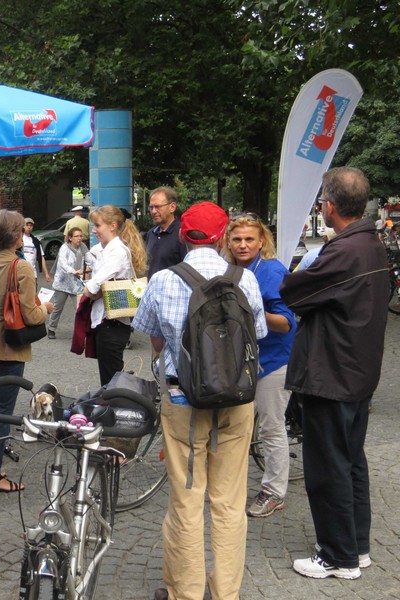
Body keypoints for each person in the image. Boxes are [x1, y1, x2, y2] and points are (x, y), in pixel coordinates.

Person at [133, 202, 267, 600]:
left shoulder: (163, 280)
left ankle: (184, 593)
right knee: (229, 501)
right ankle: (226, 593)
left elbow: (151, 335)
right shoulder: (244, 278)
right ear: (222, 235)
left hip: (184, 397)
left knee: (187, 499)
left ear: (184, 235)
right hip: (237, 401)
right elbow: (256, 334)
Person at [282, 167, 388, 580]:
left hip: (332, 374)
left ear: (328, 205)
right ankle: (355, 546)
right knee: (350, 462)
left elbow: (296, 292)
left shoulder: (345, 251)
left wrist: (288, 274)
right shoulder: (370, 243)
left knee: (328, 468)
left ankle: (337, 555)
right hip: (356, 372)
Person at [0, 209, 53, 494]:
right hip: (7, 346)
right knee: (1, 412)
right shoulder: (21, 267)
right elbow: (31, 315)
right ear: (16, 237)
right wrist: (46, 308)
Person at [224, 213, 296, 518]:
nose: (243, 245)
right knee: (234, 426)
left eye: (249, 239)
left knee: (270, 427)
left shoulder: (272, 271)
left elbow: (287, 323)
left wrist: (252, 312)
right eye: (237, 239)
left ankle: (274, 492)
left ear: (261, 241)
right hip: (240, 361)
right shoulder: (228, 270)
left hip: (273, 360)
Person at [81, 205, 148, 386]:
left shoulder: (117, 251)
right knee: (109, 376)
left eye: (97, 225)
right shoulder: (109, 249)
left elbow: (92, 287)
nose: (94, 230)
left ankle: (117, 411)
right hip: (109, 322)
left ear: (112, 225)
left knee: (111, 380)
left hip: (113, 323)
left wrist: (92, 289)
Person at [47, 227, 89, 339]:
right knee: (57, 308)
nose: (79, 238)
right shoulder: (64, 248)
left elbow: (90, 259)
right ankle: (51, 328)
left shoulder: (83, 247)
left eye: (81, 236)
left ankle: (80, 332)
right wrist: (73, 271)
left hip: (76, 284)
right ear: (70, 238)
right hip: (62, 283)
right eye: (76, 236)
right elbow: (62, 263)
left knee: (80, 309)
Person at [145, 186, 187, 279]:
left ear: (172, 207)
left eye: (158, 207)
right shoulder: (151, 234)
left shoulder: (182, 233)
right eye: (151, 207)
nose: (153, 211)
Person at [22, 217, 51, 282]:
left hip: (33, 273)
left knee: (33, 291)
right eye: (27, 225)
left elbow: (41, 256)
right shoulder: (19, 239)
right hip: (21, 273)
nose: (29, 227)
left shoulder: (35, 241)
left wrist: (46, 273)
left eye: (31, 225)